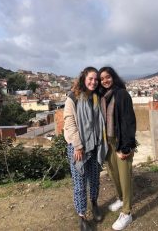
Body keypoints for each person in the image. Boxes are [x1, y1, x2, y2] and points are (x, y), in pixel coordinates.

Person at [64, 67, 108, 231]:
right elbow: (70, 123)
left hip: (95, 145)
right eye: (91, 78)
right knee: (79, 183)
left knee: (95, 179)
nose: (93, 82)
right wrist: (78, 146)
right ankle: (82, 216)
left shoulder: (96, 97)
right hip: (78, 148)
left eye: (96, 80)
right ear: (83, 78)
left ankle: (94, 203)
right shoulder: (72, 98)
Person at [98, 66, 136, 231]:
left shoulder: (122, 94)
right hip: (108, 142)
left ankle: (127, 212)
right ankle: (120, 198)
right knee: (113, 174)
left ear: (113, 77)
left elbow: (129, 121)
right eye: (102, 79)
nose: (105, 80)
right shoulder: (102, 97)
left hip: (121, 142)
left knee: (124, 176)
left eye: (108, 77)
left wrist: (126, 147)